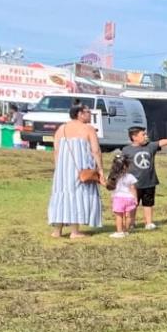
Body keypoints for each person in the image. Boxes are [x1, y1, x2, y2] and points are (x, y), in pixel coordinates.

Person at [45, 100, 103, 238]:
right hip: (80, 167)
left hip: (63, 169)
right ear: (80, 114)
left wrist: (58, 168)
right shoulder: (88, 129)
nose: (90, 114)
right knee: (77, 196)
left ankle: (57, 231)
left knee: (61, 196)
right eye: (88, 111)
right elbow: (96, 151)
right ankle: (74, 231)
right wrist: (100, 169)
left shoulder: (61, 129)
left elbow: (56, 150)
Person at [119, 125, 167, 230]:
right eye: (143, 134)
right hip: (133, 185)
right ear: (134, 137)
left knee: (148, 203)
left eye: (145, 134)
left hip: (149, 181)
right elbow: (122, 165)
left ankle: (148, 223)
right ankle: (131, 223)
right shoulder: (126, 150)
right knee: (132, 204)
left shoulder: (150, 146)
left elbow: (161, 142)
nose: (146, 136)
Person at [106, 151, 139, 238]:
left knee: (119, 216)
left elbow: (108, 186)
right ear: (126, 166)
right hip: (130, 198)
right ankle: (126, 231)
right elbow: (133, 188)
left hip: (118, 199)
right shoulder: (130, 176)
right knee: (128, 216)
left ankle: (119, 232)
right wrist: (135, 198)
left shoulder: (112, 177)